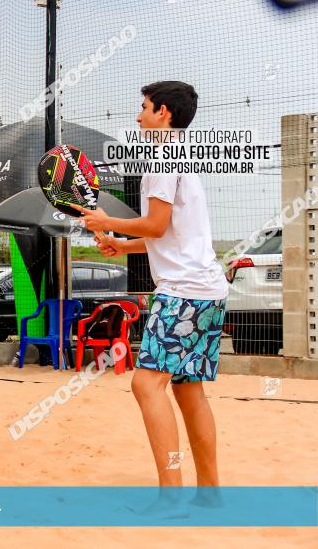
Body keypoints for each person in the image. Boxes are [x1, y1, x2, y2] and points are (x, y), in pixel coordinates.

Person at [75, 81, 228, 511]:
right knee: (188, 389)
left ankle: (171, 496)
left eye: (143, 107)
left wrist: (109, 220)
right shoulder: (181, 155)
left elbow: (157, 225)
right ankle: (210, 493)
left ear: (164, 113)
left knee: (146, 384)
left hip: (183, 293)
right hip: (208, 291)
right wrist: (123, 244)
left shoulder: (163, 155)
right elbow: (172, 233)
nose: (137, 115)